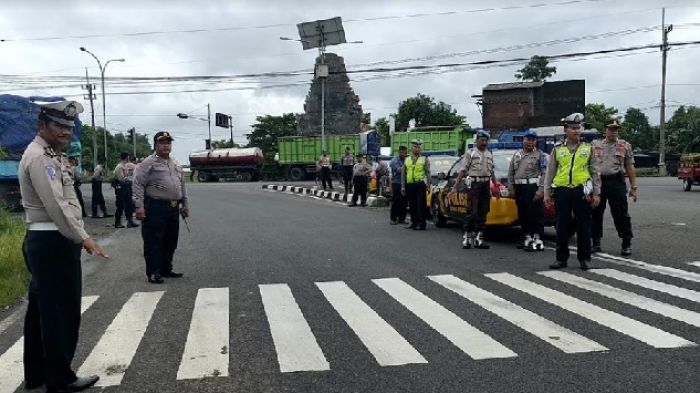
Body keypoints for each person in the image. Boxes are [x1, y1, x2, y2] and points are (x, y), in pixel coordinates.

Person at [18, 100, 108, 393]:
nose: (65, 132)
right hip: (53, 242)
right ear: (41, 125)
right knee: (60, 312)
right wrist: (83, 237)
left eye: (69, 127)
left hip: (47, 241)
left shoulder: (51, 156)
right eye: (58, 125)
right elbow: (57, 205)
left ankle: (37, 376)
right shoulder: (41, 158)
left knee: (42, 312)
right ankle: (60, 379)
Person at [543, 113, 601, 271]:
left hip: (581, 191)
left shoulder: (588, 149)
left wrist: (596, 193)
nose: (576, 131)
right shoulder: (558, 150)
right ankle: (561, 259)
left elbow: (595, 172)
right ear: (565, 130)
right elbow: (550, 173)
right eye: (573, 128)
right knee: (562, 226)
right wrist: (547, 194)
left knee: (584, 225)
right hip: (562, 191)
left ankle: (585, 258)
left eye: (578, 128)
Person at [133, 131, 189, 284]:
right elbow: (138, 184)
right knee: (154, 240)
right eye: (162, 143)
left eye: (168, 143)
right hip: (155, 206)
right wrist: (139, 206)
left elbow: (181, 184)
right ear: (156, 145)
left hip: (172, 207)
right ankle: (153, 272)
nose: (166, 146)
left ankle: (166, 268)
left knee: (171, 239)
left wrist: (185, 204)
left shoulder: (175, 163)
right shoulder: (148, 163)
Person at [591, 119, 637, 256]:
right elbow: (589, 165)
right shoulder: (595, 145)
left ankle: (626, 242)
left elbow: (630, 166)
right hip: (599, 181)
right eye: (611, 129)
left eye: (616, 129)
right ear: (605, 130)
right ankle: (596, 242)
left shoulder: (624, 145)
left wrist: (634, 187)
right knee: (595, 212)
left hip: (616, 181)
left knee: (620, 213)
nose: (613, 132)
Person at [452, 130, 496, 248]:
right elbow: (463, 170)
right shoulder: (470, 153)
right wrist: (455, 185)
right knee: (472, 212)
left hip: (485, 183)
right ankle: (467, 236)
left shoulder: (489, 153)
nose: (484, 142)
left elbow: (492, 171)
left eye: (486, 140)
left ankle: (479, 238)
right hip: (474, 184)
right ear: (476, 141)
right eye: (482, 140)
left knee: (484, 211)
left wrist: (495, 186)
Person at [507, 130, 547, 251]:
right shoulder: (517, 155)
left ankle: (538, 240)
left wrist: (540, 190)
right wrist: (511, 188)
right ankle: (528, 237)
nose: (530, 142)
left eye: (532, 140)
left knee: (535, 215)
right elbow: (510, 173)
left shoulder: (540, 155)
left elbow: (545, 174)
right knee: (523, 214)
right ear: (523, 140)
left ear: (535, 141)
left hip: (532, 187)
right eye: (528, 139)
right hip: (519, 188)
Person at [402, 139, 431, 230]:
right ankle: (414, 222)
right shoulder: (407, 159)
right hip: (410, 184)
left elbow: (428, 172)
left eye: (418, 147)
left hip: (420, 184)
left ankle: (422, 223)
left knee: (420, 204)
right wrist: (403, 186)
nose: (417, 149)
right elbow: (404, 173)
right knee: (412, 204)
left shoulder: (424, 159)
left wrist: (429, 184)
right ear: (412, 148)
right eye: (415, 147)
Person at [113, 151, 139, 228]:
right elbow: (121, 179)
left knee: (129, 205)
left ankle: (130, 222)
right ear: (126, 157)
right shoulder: (119, 167)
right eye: (128, 157)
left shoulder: (125, 166)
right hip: (121, 188)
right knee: (120, 205)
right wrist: (130, 180)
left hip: (127, 187)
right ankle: (117, 223)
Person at [389, 146, 408, 224]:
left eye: (406, 153)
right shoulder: (394, 161)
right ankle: (393, 219)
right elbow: (400, 170)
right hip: (397, 183)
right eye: (404, 153)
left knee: (404, 202)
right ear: (399, 152)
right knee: (396, 201)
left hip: (405, 183)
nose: (406, 154)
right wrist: (407, 166)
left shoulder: (406, 160)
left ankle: (402, 219)